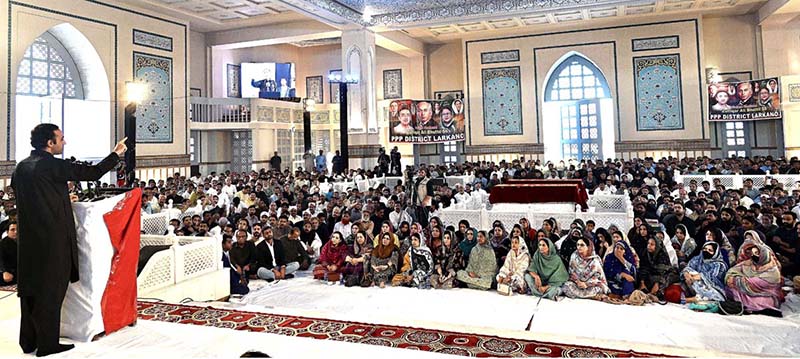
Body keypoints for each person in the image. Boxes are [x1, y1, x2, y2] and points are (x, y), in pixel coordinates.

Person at [11, 123, 126, 356]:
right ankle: (47, 344)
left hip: (29, 240)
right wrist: (116, 153)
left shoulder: (21, 167)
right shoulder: (52, 165)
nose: (65, 142)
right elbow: (92, 173)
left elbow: (34, 194)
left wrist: (60, 195)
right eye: (61, 139)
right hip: (53, 240)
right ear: (50, 143)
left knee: (31, 290)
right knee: (51, 292)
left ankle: (29, 341)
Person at [726, 242, 784, 316]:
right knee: (730, 289)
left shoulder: (773, 270)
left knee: (760, 302)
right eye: (752, 253)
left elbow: (755, 283)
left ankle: (750, 307)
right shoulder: (749, 263)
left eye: (756, 253)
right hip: (745, 290)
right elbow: (732, 271)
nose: (754, 256)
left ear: (764, 254)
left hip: (765, 294)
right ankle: (745, 304)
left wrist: (735, 280)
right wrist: (732, 278)